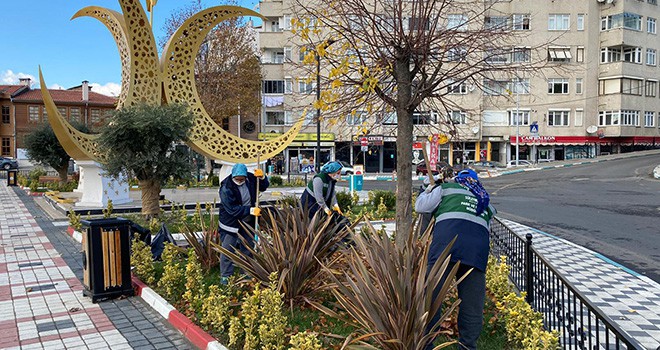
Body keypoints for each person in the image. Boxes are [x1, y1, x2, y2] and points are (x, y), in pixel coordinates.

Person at [415, 169, 496, 350]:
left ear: (457, 180)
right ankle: (467, 346)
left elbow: (420, 206)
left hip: (445, 248)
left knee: (433, 298)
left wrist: (428, 187)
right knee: (472, 304)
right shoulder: (486, 202)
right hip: (476, 253)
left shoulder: (446, 189)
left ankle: (426, 344)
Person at [218, 163, 269, 283]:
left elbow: (263, 186)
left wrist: (262, 178)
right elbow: (232, 209)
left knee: (247, 247)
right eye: (238, 179)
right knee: (228, 249)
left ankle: (246, 272)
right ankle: (226, 276)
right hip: (231, 223)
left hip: (247, 221)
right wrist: (250, 210)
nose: (240, 181)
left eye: (242, 179)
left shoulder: (250, 179)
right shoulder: (226, 187)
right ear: (233, 176)